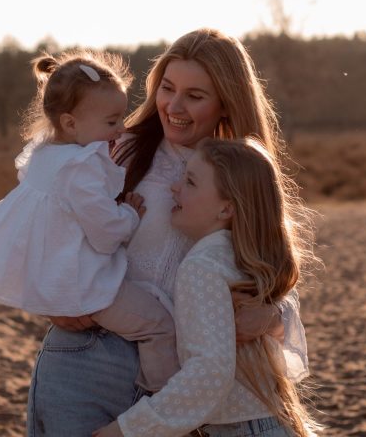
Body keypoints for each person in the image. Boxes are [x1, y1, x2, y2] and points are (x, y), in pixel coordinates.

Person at [27, 29, 310, 436]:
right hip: (92, 360)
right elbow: (42, 221)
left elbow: (272, 267)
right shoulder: (115, 151)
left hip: (184, 384)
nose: (173, 106)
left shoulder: (243, 171)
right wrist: (49, 296)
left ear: (226, 104)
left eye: (195, 96)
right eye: (167, 88)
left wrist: (273, 315)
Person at [0, 50, 179, 393]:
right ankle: (163, 402)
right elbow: (106, 235)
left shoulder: (46, 153)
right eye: (111, 121)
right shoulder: (83, 166)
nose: (121, 129)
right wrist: (129, 214)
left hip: (58, 277)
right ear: (70, 123)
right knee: (159, 327)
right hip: (86, 284)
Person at [94, 138, 318, 436]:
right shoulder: (246, 257)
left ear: (226, 208)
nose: (175, 187)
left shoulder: (202, 265)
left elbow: (209, 373)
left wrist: (126, 430)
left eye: (190, 182)